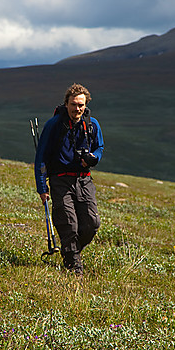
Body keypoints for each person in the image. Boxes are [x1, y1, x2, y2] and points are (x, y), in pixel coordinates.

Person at [34, 83, 104, 277]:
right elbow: (40, 157)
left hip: (84, 179)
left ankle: (69, 251)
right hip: (60, 180)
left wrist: (94, 158)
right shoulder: (54, 125)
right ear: (66, 104)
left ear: (86, 104)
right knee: (69, 224)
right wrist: (42, 187)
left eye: (81, 104)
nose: (77, 108)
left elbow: (100, 147)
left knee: (92, 223)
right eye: (73, 104)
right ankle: (75, 269)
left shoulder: (92, 124)